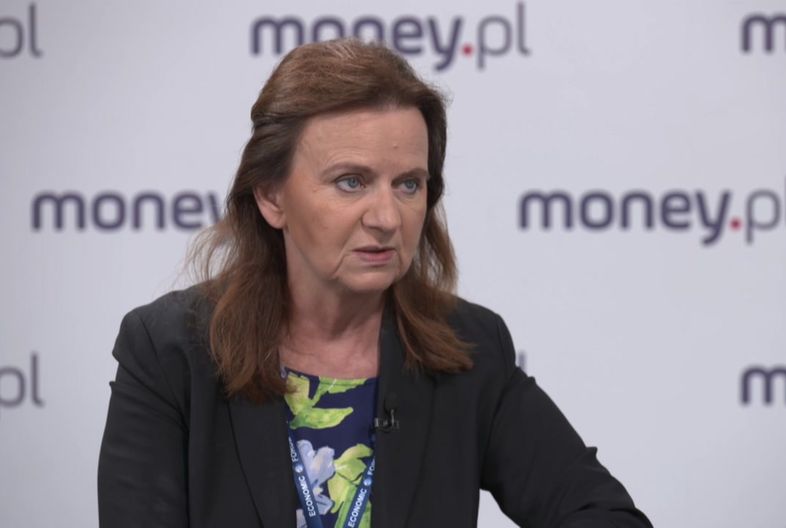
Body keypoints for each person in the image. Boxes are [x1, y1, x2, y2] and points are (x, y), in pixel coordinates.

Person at [97, 39, 653, 528]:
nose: (387, 217)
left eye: (408, 184)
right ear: (271, 196)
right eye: (351, 181)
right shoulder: (169, 351)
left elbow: (604, 515)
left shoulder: (470, 349)